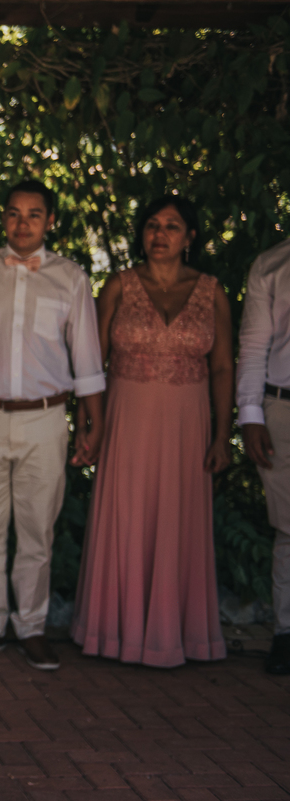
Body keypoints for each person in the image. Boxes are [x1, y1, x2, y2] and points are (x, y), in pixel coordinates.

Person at [0, 180, 105, 671]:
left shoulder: (71, 278)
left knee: (37, 530)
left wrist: (93, 426)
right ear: (3, 218)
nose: (23, 223)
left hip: (46, 419)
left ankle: (31, 626)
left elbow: (89, 363)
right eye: (14, 213)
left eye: (34, 214)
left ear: (50, 220)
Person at [72, 196, 230, 668]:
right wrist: (90, 423)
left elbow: (223, 367)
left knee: (179, 515)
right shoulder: (119, 286)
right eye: (152, 226)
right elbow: (92, 364)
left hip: (188, 422)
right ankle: (112, 631)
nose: (160, 234)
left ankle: (177, 634)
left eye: (172, 226)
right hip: (127, 418)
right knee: (127, 513)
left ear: (191, 236)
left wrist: (223, 435)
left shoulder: (212, 291)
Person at [237, 236, 290, 675]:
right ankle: (286, 634)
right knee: (289, 528)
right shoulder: (272, 264)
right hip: (282, 408)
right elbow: (254, 345)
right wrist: (250, 415)